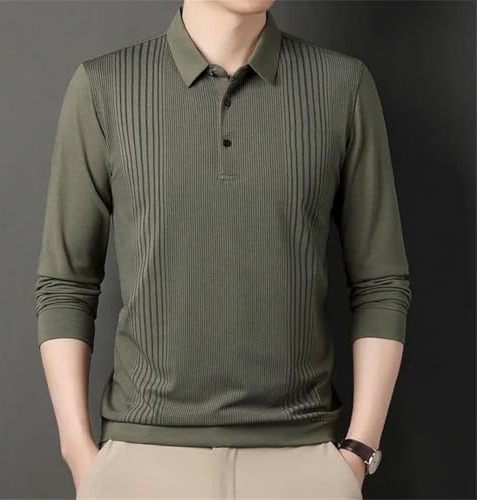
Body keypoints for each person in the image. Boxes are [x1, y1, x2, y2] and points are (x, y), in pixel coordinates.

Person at [35, 0, 412, 498]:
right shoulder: (105, 87)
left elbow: (380, 283)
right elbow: (67, 283)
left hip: (303, 464)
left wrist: (358, 452)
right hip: (140, 462)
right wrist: (79, 452)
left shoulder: (342, 86)